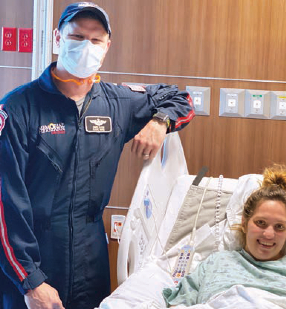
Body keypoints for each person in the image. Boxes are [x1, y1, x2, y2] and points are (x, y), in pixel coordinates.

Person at [0, 2, 194, 309]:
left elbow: (180, 98)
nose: (85, 47)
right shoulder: (18, 108)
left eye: (95, 40)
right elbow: (6, 203)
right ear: (57, 39)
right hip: (34, 256)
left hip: (91, 257)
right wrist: (30, 280)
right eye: (77, 37)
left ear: (107, 47)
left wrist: (160, 121)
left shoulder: (119, 102)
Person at [163, 165, 286, 309]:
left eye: (279, 227)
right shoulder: (217, 261)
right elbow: (179, 303)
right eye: (261, 223)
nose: (269, 234)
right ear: (245, 223)